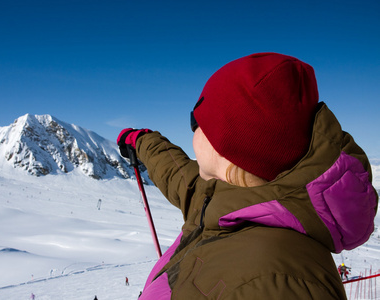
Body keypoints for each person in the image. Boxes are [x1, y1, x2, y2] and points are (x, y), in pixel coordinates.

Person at [117, 53, 378, 299]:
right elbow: (175, 173)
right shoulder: (219, 199)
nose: (193, 131)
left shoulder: (276, 281)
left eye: (197, 120)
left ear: (227, 146)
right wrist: (141, 140)